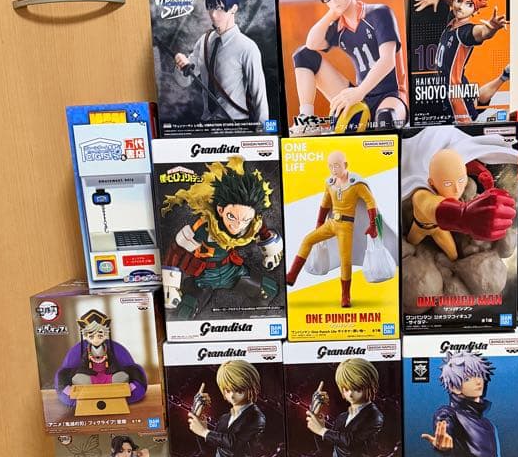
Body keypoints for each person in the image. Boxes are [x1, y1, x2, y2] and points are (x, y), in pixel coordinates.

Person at [291, 0, 407, 133]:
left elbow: (387, 61)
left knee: (386, 118)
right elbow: (311, 43)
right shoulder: (339, 27)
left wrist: (359, 92)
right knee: (303, 55)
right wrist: (333, 12)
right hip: (360, 97)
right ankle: (307, 120)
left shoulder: (379, 13)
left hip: (390, 94)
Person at [160, 156, 283, 318]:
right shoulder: (204, 228)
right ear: (220, 210)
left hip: (231, 271)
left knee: (269, 289)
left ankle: (253, 322)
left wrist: (272, 251)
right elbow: (176, 250)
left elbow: (262, 231)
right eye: (232, 217)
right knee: (184, 311)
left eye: (245, 220)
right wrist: (170, 286)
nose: (238, 225)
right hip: (204, 276)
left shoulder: (252, 224)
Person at [173, 0, 268, 126]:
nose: (213, 14)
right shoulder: (204, 41)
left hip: (236, 125)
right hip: (206, 125)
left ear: (234, 8)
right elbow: (184, 82)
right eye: (210, 7)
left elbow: (259, 96)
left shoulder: (247, 47)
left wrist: (264, 133)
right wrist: (180, 65)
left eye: (219, 8)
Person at [285, 150, 380, 308]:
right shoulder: (330, 183)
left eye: (336, 165)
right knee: (307, 240)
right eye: (330, 166)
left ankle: (345, 296)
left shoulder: (356, 184)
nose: (333, 169)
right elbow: (325, 204)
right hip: (331, 223)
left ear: (345, 165)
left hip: (345, 226)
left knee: (345, 261)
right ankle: (292, 275)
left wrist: (373, 225)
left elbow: (371, 202)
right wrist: (319, 223)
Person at [421, 351, 516, 457]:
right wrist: (443, 443)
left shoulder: (487, 424)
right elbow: (444, 423)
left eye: (479, 375)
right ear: (454, 387)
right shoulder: (449, 413)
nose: (478, 381)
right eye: (468, 378)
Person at [413, 0, 508, 122]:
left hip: (456, 92)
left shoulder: (466, 31)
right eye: (458, 0)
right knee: (475, 102)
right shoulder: (453, 20)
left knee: (466, 123)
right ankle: (503, 77)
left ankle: (503, 78)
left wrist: (492, 29)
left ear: (476, 10)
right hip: (450, 86)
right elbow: (454, 1)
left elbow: (482, 32)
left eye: (469, 4)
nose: (461, 7)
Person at [406, 147, 515, 262]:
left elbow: (462, 168)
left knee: (453, 255)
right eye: (448, 184)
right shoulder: (420, 194)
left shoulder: (450, 182)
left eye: (461, 180)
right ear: (431, 183)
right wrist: (463, 215)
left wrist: (483, 175)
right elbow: (431, 206)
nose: (457, 189)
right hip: (420, 228)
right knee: (410, 244)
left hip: (440, 228)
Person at [305, 358, 384, 457]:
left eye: (357, 388)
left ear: (370, 386)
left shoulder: (374, 415)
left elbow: (351, 441)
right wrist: (318, 420)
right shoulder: (342, 417)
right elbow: (329, 448)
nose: (351, 394)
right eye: (346, 389)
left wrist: (322, 430)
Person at [187, 360, 266, 457]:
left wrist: (204, 432)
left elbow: (234, 442)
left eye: (239, 390)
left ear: (251, 387)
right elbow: (210, 449)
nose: (232, 396)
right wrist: (199, 419)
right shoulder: (224, 418)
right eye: (228, 391)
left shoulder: (256, 416)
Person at [55, 309, 147, 408]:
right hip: (91, 376)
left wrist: (112, 371)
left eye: (100, 335)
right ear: (85, 335)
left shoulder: (111, 348)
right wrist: (87, 372)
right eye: (91, 335)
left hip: (108, 375)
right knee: (79, 379)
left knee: (121, 376)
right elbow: (82, 366)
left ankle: (124, 391)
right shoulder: (83, 350)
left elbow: (115, 364)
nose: (96, 339)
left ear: (106, 333)